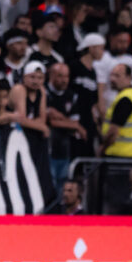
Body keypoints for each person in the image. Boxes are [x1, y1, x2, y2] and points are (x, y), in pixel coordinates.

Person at [46, 63, 84, 191]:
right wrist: (74, 125)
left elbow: (75, 123)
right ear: (51, 75)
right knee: (49, 185)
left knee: (62, 186)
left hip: (64, 149)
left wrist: (60, 117)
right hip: (48, 149)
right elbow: (50, 122)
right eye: (60, 76)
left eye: (67, 76)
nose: (64, 80)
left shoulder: (71, 95)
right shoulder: (44, 92)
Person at [100, 64, 132, 158]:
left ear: (128, 78)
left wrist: (102, 148)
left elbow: (113, 132)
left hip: (118, 154)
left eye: (117, 76)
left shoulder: (125, 100)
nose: (112, 79)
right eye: (111, 75)